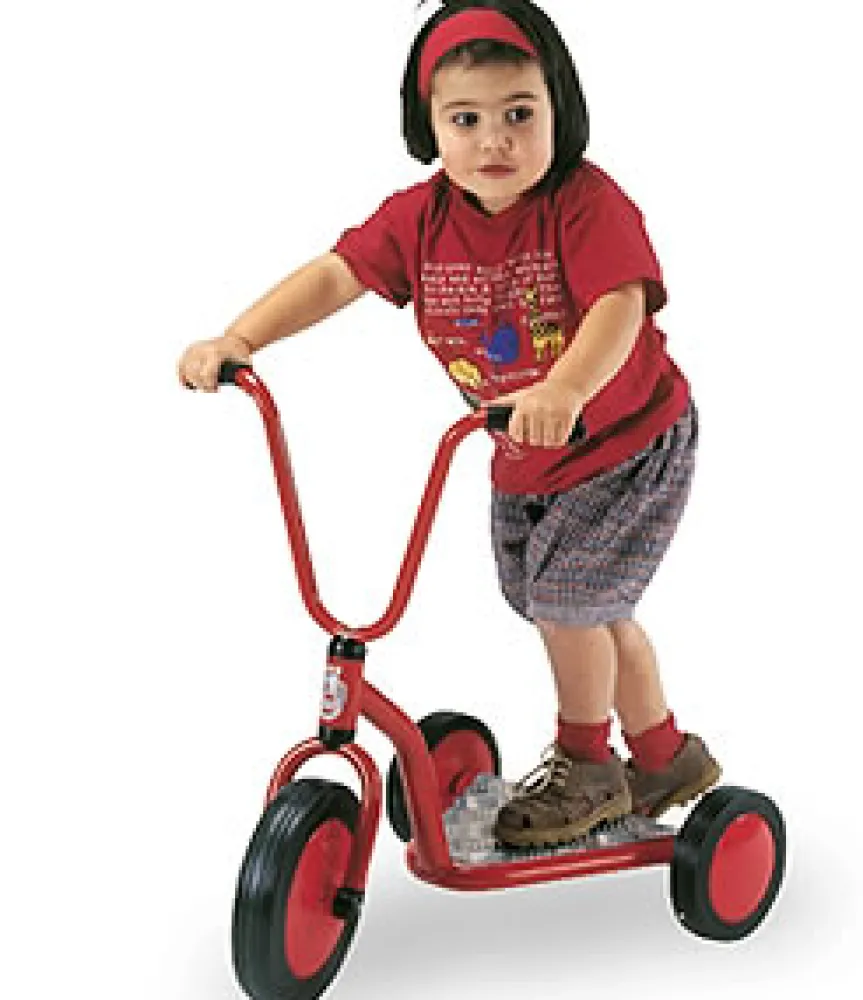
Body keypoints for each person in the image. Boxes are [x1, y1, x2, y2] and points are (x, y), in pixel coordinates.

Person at [177, 0, 721, 849]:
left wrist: (568, 386)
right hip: (525, 455)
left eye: (519, 114)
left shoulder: (586, 204)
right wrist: (240, 338)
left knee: (569, 606)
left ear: (560, 109)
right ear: (427, 126)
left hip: (624, 444)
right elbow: (336, 274)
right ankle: (663, 755)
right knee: (579, 609)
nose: (494, 140)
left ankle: (588, 763)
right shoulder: (420, 219)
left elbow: (619, 305)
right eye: (465, 119)